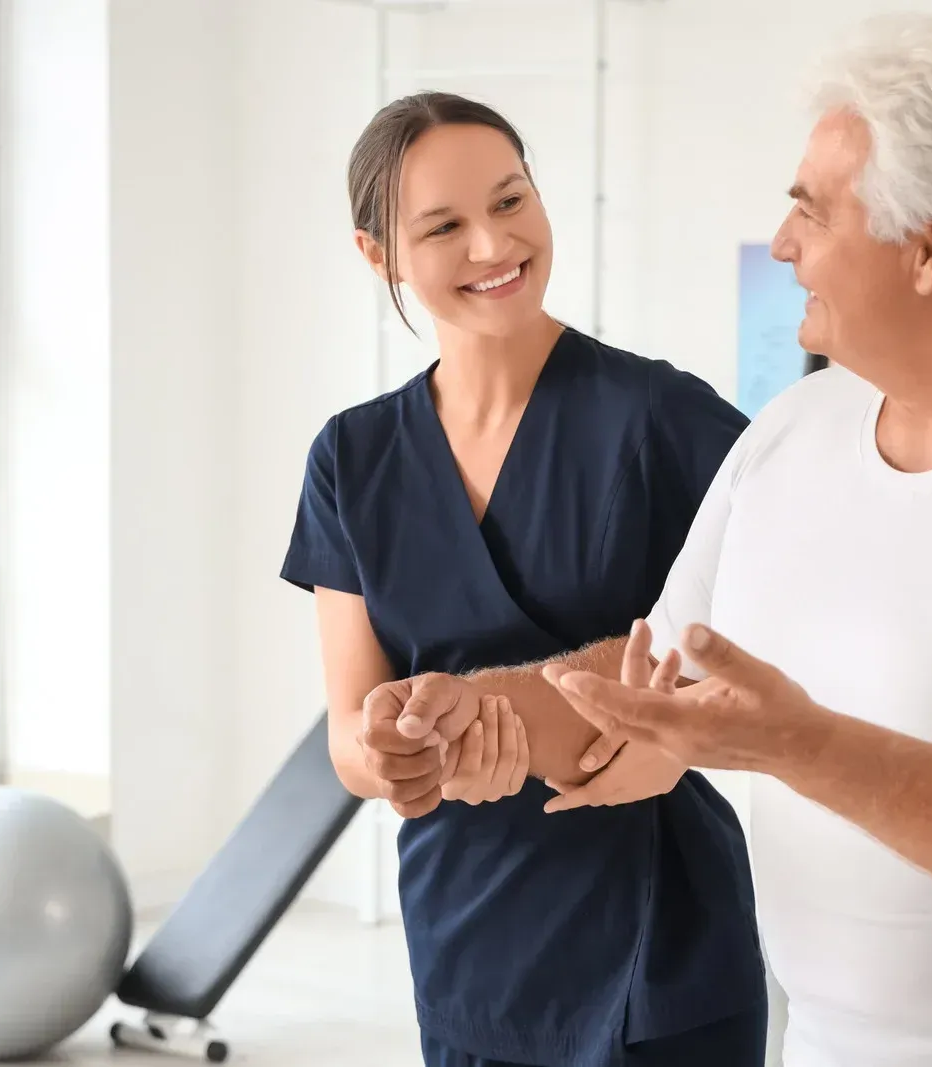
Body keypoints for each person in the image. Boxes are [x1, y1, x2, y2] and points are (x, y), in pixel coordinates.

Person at [391, 14, 932, 1067]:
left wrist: (798, 742)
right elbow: (648, 705)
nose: (782, 242)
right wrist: (478, 713)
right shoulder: (791, 436)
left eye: (810, 209)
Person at [279, 92, 769, 1067]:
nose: (492, 243)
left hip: (656, 932)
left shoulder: (660, 418)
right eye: (444, 226)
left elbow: (779, 626)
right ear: (378, 254)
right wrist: (393, 751)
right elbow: (347, 734)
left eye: (510, 201)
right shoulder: (352, 456)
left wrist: (662, 735)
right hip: (465, 939)